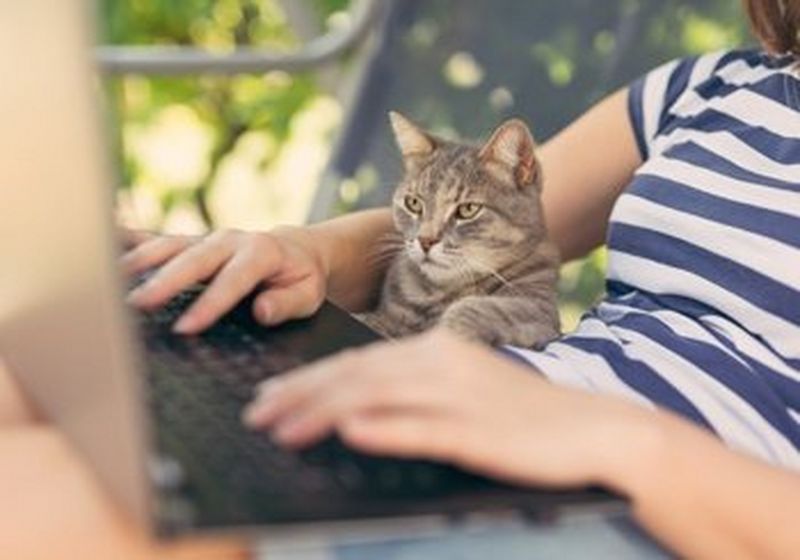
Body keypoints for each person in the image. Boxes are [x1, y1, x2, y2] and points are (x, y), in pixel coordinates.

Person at [124, 0, 800, 557]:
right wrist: (307, 251)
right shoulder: (713, 85)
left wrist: (600, 432)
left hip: (651, 511)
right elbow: (498, 216)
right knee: (116, 436)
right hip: (480, 421)